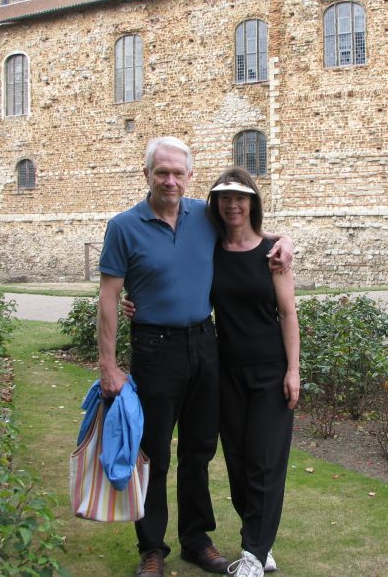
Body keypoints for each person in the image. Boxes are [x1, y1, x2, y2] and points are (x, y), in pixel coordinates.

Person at [97, 137, 292, 577]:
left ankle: (196, 541)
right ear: (145, 174)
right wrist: (108, 364)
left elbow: (251, 232)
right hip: (154, 347)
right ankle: (152, 550)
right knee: (154, 453)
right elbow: (108, 298)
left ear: (189, 177)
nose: (170, 180)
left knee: (200, 450)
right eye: (161, 172)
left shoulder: (205, 216)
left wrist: (287, 239)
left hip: (206, 345)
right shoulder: (123, 227)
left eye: (177, 173)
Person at [207, 168, 300, 577]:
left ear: (252, 203)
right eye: (225, 198)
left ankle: (252, 555)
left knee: (265, 461)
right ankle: (259, 540)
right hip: (226, 370)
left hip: (269, 371)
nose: (233, 205)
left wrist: (293, 370)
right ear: (216, 203)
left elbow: (288, 312)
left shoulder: (274, 251)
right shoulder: (209, 251)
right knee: (238, 464)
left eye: (240, 197)